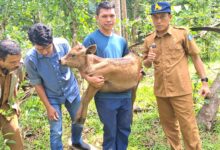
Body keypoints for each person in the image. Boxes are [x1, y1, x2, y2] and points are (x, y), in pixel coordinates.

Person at [143, 2, 211, 150]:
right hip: (161, 92)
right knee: (170, 130)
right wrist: (148, 59)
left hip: (181, 91)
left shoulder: (182, 34)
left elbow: (196, 58)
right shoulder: (149, 40)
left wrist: (204, 82)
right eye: (155, 18)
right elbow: (146, 64)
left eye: (162, 17)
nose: (159, 21)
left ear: (170, 17)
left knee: (189, 129)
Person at [24, 23, 90, 150]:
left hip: (71, 90)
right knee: (56, 130)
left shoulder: (63, 44)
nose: (44, 52)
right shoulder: (30, 59)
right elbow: (37, 84)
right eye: (39, 49)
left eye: (47, 48)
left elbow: (76, 62)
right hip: (51, 96)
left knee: (78, 120)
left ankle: (77, 143)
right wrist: (48, 107)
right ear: (33, 45)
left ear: (52, 40)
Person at [82, 1, 132, 150]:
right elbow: (82, 65)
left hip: (125, 94)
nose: (109, 19)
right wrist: (88, 78)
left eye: (111, 15)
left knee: (124, 130)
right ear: (97, 17)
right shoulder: (91, 40)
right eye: (104, 16)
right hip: (105, 95)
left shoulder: (121, 41)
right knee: (110, 131)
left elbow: (127, 63)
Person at [0, 39, 24, 150]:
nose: (17, 65)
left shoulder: (18, 67)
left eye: (18, 61)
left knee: (17, 143)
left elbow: (16, 85)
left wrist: (16, 102)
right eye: (13, 62)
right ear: (1, 61)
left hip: (6, 108)